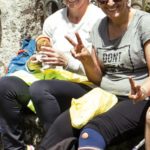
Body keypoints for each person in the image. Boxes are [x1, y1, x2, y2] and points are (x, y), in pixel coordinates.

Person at [32, 0, 150, 149]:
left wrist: (143, 90)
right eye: (103, 0)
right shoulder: (99, 28)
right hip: (105, 95)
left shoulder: (144, 23)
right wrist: (86, 60)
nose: (110, 3)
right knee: (61, 128)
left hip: (138, 99)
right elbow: (97, 78)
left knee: (91, 133)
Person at [0, 0, 105, 150]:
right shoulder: (53, 20)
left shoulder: (100, 19)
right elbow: (44, 57)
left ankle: (58, 146)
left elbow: (100, 73)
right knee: (5, 85)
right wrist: (36, 61)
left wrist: (67, 62)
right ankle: (14, 147)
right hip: (51, 79)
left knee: (40, 89)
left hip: (86, 85)